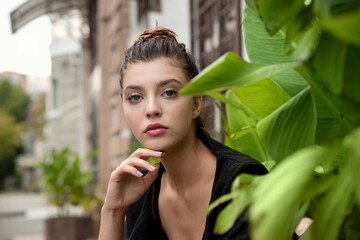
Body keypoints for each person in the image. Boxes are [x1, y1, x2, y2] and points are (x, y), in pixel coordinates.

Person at [98, 27, 267, 240]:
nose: (151, 109)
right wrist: (113, 210)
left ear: (196, 103)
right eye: (135, 97)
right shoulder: (141, 193)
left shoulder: (242, 180)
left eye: (168, 92)